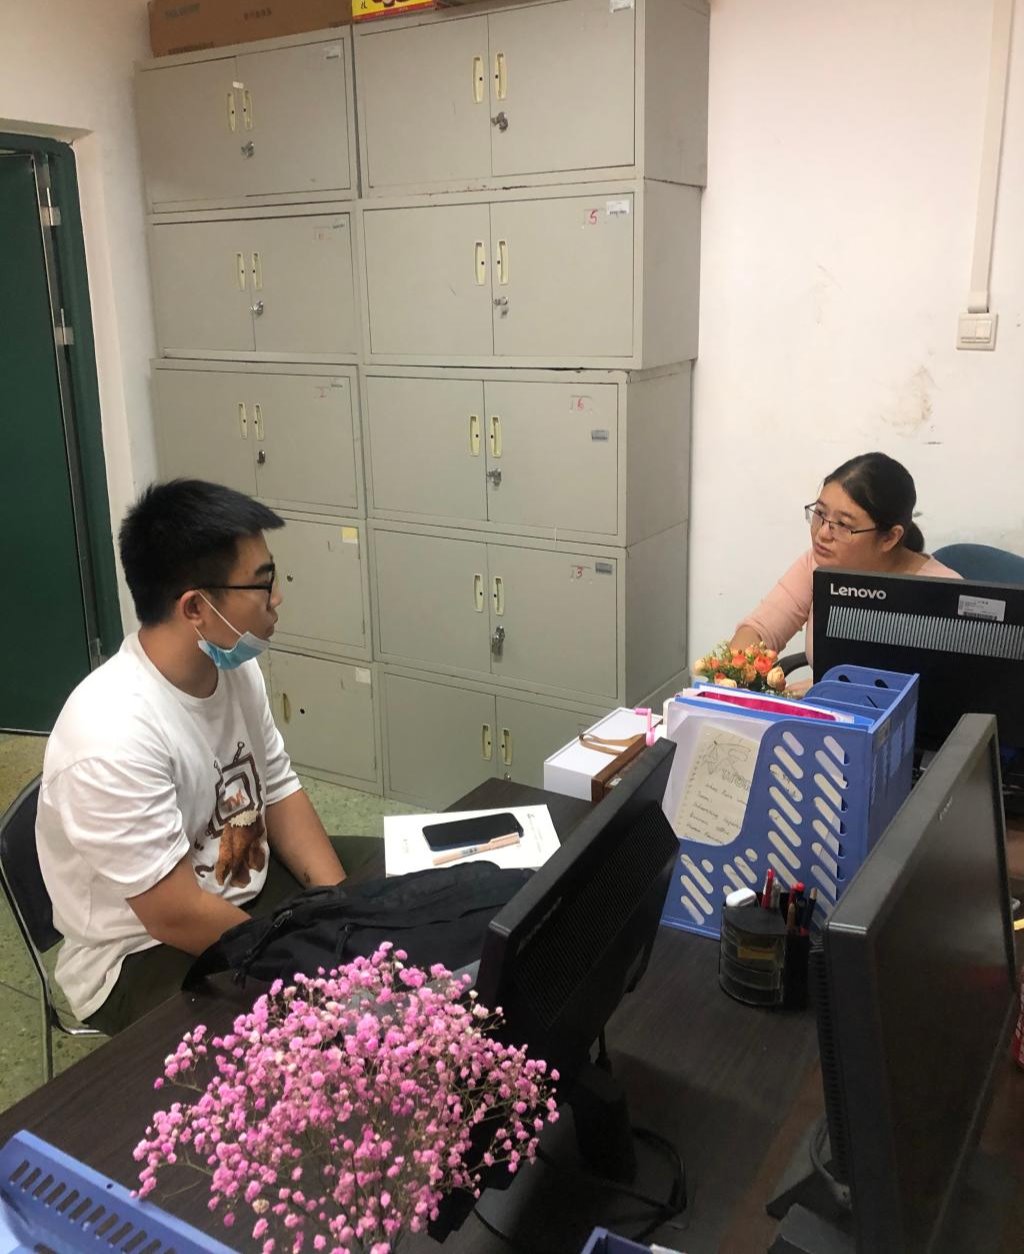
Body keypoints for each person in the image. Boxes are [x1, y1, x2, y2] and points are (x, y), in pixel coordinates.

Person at [36, 479, 378, 1035]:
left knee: (402, 894)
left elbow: (278, 790)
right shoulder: (109, 736)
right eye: (262, 583)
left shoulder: (232, 666)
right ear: (196, 607)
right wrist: (319, 961)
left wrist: (342, 912)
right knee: (313, 1033)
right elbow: (174, 913)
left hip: (245, 880)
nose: (277, 598)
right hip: (144, 951)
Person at [732, 452, 961, 666]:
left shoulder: (943, 591)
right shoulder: (818, 563)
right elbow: (759, 631)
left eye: (843, 524)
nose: (822, 533)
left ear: (890, 537)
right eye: (820, 514)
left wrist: (830, 686)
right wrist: (736, 668)